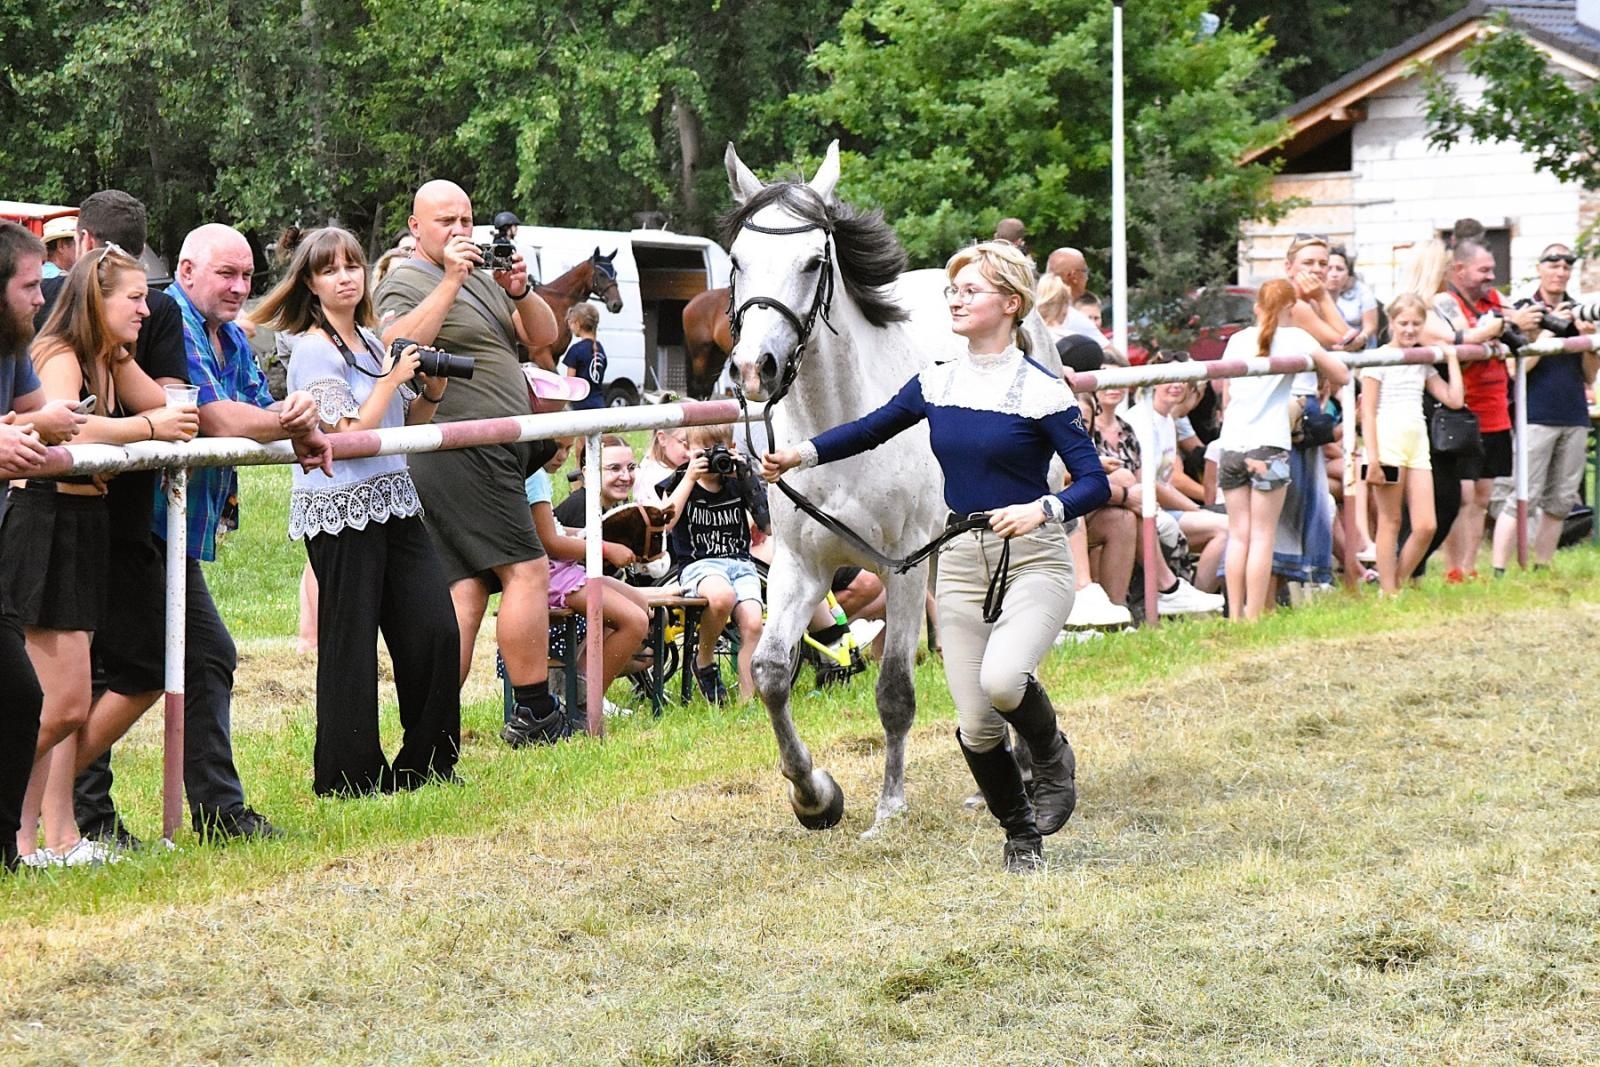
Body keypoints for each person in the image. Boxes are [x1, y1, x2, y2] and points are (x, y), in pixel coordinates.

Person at [764, 241, 1110, 873]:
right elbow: (869, 429)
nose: (954, 298)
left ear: (1010, 305)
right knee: (976, 726)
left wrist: (1046, 510)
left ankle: (1052, 755)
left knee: (1004, 682)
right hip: (959, 558)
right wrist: (801, 454)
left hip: (1032, 556)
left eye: (969, 290)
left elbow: (1095, 481)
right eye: (952, 289)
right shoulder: (936, 380)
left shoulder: (1042, 390)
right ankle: (1021, 836)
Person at [114, 223, 333, 843]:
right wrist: (284, 422)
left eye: (246, 276)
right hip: (137, 521)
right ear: (185, 272)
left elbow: (263, 409)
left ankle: (208, 812)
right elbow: (212, 417)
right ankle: (96, 812)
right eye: (225, 274)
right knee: (139, 665)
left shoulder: (232, 341)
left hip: (171, 525)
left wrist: (287, 419)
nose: (240, 287)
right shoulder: (167, 320)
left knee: (174, 660)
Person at [5, 245, 199, 867]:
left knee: (61, 708)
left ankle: (34, 840)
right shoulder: (59, 354)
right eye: (135, 298)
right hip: (47, 523)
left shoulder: (111, 357)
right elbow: (66, 428)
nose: (149, 310)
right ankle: (23, 837)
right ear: (97, 299)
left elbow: (167, 411)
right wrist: (147, 431)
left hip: (84, 523)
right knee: (56, 704)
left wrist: (152, 414)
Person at [252, 226, 461, 796]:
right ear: (310, 284)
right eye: (329, 269)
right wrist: (395, 377)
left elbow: (405, 429)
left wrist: (431, 388)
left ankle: (429, 767)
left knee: (436, 631)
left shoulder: (371, 342)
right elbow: (348, 433)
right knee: (348, 643)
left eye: (353, 265)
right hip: (337, 505)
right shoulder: (313, 349)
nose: (346, 277)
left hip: (393, 499)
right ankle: (349, 778)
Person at [375, 180, 564, 748]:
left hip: (493, 449)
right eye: (445, 222)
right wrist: (452, 278)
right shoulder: (404, 280)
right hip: (463, 449)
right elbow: (395, 344)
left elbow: (542, 338)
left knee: (467, 591)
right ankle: (533, 711)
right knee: (528, 570)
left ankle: (431, 727)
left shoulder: (485, 279)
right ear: (415, 228)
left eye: (466, 220)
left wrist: (521, 289)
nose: (460, 231)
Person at [0, 223, 75, 872]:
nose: (38, 299)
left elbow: (35, 414)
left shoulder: (15, 341)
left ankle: (5, 854)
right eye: (28, 286)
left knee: (22, 697)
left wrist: (35, 422)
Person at [1215, 279, 1349, 620]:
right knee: (1263, 536)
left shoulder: (1237, 340)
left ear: (1256, 307)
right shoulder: (1297, 339)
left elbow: (1227, 394)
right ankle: (1255, 615)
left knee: (1238, 534)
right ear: (1292, 309)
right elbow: (1342, 375)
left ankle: (1233, 614)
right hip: (1269, 445)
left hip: (1231, 444)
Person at [1434, 240, 1543, 581]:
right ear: (1459, 270)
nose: (1490, 277)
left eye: (1492, 270)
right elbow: (1459, 343)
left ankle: (1470, 566)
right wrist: (1493, 329)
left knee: (1482, 494)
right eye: (1483, 270)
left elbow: (1519, 329)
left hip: (1497, 409)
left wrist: (1525, 322)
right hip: (1463, 411)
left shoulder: (1494, 300)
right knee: (1462, 494)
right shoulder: (1445, 302)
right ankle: (1453, 569)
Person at [1489, 244, 1597, 573]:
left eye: (1566, 267)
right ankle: (1499, 569)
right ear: (1540, 268)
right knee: (1523, 493)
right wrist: (1548, 328)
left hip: (1574, 412)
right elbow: (1516, 368)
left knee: (1562, 499)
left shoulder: (1578, 310)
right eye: (1553, 265)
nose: (1560, 272)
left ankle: (1541, 566)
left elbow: (1589, 375)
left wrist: (1588, 341)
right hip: (1534, 413)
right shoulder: (1524, 310)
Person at [527, 438, 651, 716]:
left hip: (563, 569)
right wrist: (604, 547)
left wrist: (589, 536)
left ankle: (579, 682)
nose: (561, 456)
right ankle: (586, 704)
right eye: (556, 446)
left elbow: (556, 530)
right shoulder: (533, 476)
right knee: (635, 621)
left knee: (639, 603)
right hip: (548, 573)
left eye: (568, 449)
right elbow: (549, 542)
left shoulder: (539, 476)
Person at [659, 423, 771, 704]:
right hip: (698, 564)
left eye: (718, 448)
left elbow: (767, 526)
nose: (711, 457)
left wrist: (747, 477)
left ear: (732, 449)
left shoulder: (737, 480)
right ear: (689, 450)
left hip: (740, 563)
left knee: (754, 624)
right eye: (703, 450)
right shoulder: (679, 479)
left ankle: (748, 701)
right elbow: (667, 523)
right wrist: (689, 479)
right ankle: (703, 660)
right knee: (722, 597)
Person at [1361, 294, 1465, 595]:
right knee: (1390, 521)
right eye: (1403, 323)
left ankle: (1393, 584)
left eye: (1416, 324)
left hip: (1417, 443)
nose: (1409, 330)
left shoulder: (1422, 360)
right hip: (1388, 441)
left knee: (1426, 525)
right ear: (1391, 323)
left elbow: (1454, 399)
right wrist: (1374, 457)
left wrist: (1453, 359)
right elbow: (1368, 411)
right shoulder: (1377, 358)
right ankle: (1390, 591)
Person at [1326, 245, 1378, 350]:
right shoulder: (1314, 296)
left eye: (1339, 269)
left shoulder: (1363, 291)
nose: (1334, 274)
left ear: (1348, 274)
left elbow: (1370, 325)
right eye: (1329, 268)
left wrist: (1361, 338)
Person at [561, 303, 607, 410]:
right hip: (599, 405)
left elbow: (570, 383)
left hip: (580, 407)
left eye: (571, 323)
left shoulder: (575, 350)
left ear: (577, 324)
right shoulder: (600, 349)